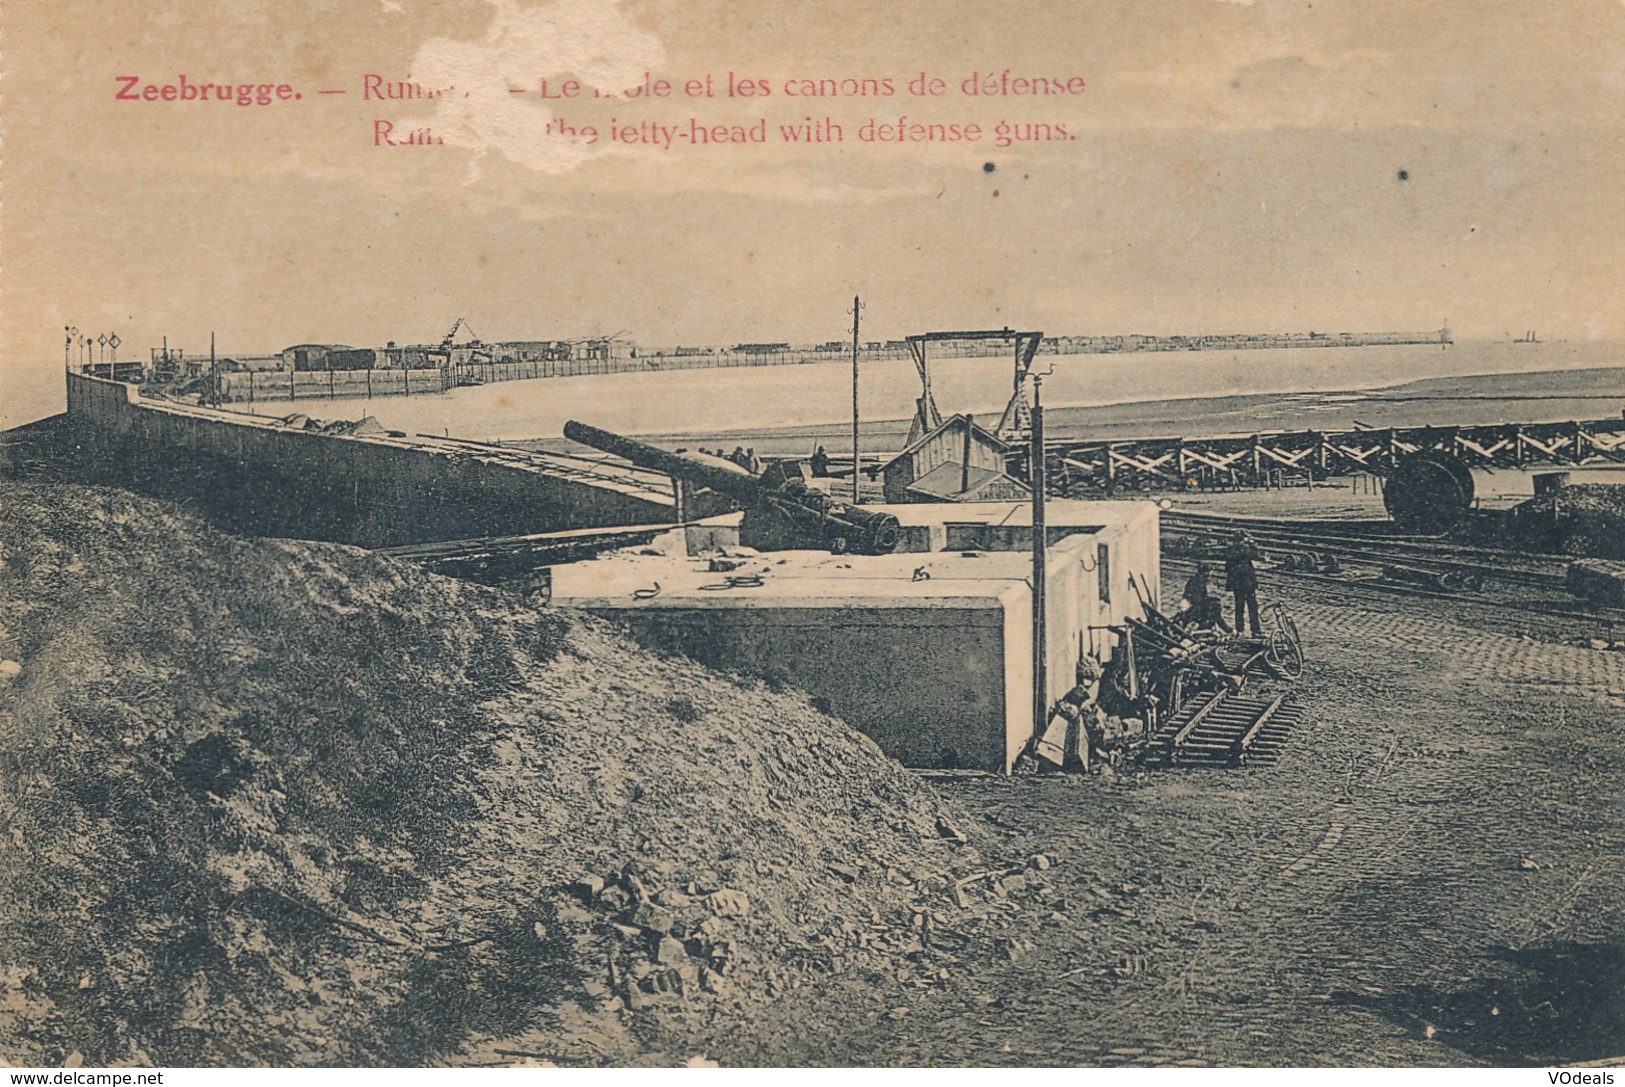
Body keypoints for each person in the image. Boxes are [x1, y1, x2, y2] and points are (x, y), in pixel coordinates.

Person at [1224, 531, 1262, 635]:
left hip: (1237, 584)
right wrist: (1252, 543)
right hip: (1248, 583)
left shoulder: (1231, 549)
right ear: (1243, 539)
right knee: (1252, 607)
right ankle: (1256, 630)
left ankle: (1240, 630)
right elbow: (1256, 554)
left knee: (1239, 607)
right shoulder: (1246, 548)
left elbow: (1227, 567)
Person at [1178, 562, 1227, 631]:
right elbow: (1197, 599)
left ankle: (1226, 628)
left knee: (1215, 607)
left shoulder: (1196, 579)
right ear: (1205, 572)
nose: (1210, 575)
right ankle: (1206, 628)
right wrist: (1212, 600)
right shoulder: (1198, 582)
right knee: (1216, 608)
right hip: (1192, 608)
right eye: (1209, 572)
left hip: (1191, 606)